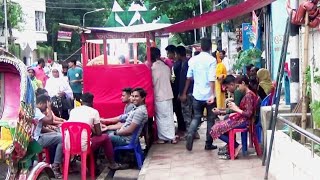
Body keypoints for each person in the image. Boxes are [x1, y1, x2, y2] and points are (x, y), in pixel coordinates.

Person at [68, 93, 126, 170]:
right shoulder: (94, 112)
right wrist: (98, 128)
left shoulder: (73, 111)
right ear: (92, 102)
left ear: (81, 101)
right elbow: (98, 133)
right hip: (83, 146)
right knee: (105, 138)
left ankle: (93, 167)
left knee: (90, 140)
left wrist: (91, 128)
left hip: (69, 144)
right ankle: (112, 163)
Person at [180, 37, 218, 151]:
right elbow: (212, 79)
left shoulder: (193, 60)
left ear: (200, 47)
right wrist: (213, 94)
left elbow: (188, 77)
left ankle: (190, 133)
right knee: (211, 119)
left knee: (196, 116)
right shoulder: (212, 60)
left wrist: (185, 92)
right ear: (210, 47)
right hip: (208, 95)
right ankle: (208, 143)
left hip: (197, 94)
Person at [210, 75, 258, 159]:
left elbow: (249, 113)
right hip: (241, 119)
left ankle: (236, 145)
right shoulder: (248, 94)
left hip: (243, 121)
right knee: (217, 127)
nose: (238, 89)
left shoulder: (249, 95)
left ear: (243, 83)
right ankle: (234, 146)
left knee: (215, 129)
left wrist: (236, 109)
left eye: (238, 86)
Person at [151, 47, 177, 144]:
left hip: (159, 95)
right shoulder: (166, 67)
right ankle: (172, 136)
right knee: (169, 116)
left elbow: (152, 83)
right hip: (168, 94)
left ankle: (163, 137)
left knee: (161, 117)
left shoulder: (152, 69)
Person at [34, 94, 63, 178]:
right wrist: (49, 108)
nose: (46, 108)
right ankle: (55, 166)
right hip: (37, 140)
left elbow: (41, 127)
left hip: (37, 136)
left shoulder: (34, 110)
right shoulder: (36, 111)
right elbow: (50, 120)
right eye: (45, 106)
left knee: (57, 134)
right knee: (61, 138)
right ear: (41, 103)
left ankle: (52, 161)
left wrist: (52, 131)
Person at [176, 46, 196, 139]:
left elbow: (187, 79)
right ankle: (194, 133)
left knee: (187, 114)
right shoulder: (187, 63)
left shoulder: (186, 64)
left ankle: (189, 134)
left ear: (179, 54)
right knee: (191, 114)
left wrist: (183, 93)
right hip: (191, 92)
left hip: (187, 93)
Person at [172, 46, 185, 137]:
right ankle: (182, 127)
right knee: (179, 110)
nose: (175, 56)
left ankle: (182, 128)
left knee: (179, 110)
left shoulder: (179, 64)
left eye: (176, 54)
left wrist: (181, 92)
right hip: (179, 89)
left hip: (179, 89)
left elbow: (182, 79)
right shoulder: (182, 63)